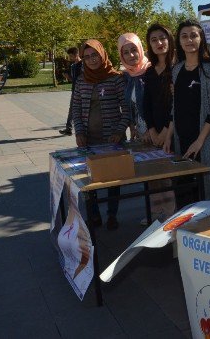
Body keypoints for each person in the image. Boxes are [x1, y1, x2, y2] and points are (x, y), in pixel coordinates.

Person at [164, 19, 210, 202]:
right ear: (179, 41)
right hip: (181, 139)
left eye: (194, 35)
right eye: (184, 36)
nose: (189, 40)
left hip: (205, 140)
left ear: (201, 39)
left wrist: (200, 141)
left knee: (209, 190)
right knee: (185, 192)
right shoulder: (176, 70)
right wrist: (168, 136)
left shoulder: (209, 69)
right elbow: (175, 105)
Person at [72, 39, 130, 230]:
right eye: (87, 57)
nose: (91, 60)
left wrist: (119, 131)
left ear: (102, 54)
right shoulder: (81, 79)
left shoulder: (115, 78)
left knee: (113, 180)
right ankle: (94, 215)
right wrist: (79, 132)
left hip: (112, 139)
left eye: (94, 55)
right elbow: (76, 108)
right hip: (89, 139)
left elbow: (127, 109)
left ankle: (112, 215)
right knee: (90, 180)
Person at [143, 23, 176, 148]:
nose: (159, 43)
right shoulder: (149, 72)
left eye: (162, 38)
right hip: (155, 133)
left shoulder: (178, 68)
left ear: (170, 40)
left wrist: (166, 130)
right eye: (154, 40)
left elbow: (176, 103)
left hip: (175, 131)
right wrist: (151, 130)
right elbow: (147, 104)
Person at [116, 33, 150, 141]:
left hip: (156, 133)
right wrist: (132, 126)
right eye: (126, 52)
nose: (131, 55)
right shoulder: (127, 76)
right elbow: (130, 106)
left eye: (134, 50)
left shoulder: (152, 71)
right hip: (139, 133)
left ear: (140, 49)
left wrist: (150, 131)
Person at [60, 47, 83, 135]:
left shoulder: (82, 65)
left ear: (76, 55)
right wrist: (68, 77)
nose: (70, 58)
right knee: (72, 110)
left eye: (71, 56)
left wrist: (70, 78)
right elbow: (74, 80)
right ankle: (68, 129)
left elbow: (81, 79)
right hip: (75, 91)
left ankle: (71, 129)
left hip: (82, 91)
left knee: (78, 110)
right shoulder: (73, 66)